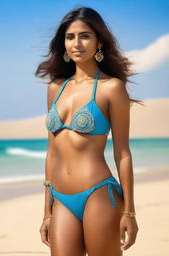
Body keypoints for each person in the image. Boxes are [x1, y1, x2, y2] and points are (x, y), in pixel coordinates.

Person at [35, 6, 141, 256]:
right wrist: (47, 212)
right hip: (61, 198)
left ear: (99, 42)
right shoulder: (55, 88)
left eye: (85, 36)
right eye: (70, 37)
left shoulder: (111, 88)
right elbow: (52, 152)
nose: (76, 43)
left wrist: (129, 211)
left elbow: (123, 153)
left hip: (99, 193)